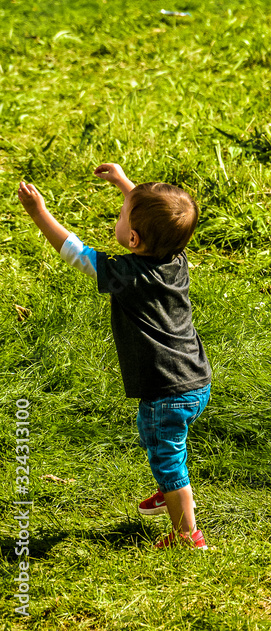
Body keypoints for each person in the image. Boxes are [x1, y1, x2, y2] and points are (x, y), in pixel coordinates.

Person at [17, 164, 213, 550]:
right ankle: (170, 491)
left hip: (167, 388)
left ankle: (188, 534)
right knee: (154, 437)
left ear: (134, 239)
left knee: (168, 457)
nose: (118, 216)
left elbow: (77, 254)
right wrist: (128, 187)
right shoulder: (175, 257)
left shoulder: (129, 275)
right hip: (194, 378)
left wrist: (39, 213)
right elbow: (155, 218)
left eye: (122, 215)